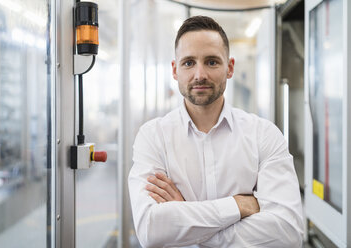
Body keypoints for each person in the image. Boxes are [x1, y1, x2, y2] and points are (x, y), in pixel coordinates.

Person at [128, 16, 303, 248]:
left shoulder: (264, 135)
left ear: (229, 68)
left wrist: (185, 218)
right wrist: (239, 206)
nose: (200, 74)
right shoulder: (153, 137)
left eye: (211, 62)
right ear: (175, 69)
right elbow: (151, 230)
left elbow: (288, 233)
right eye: (189, 63)